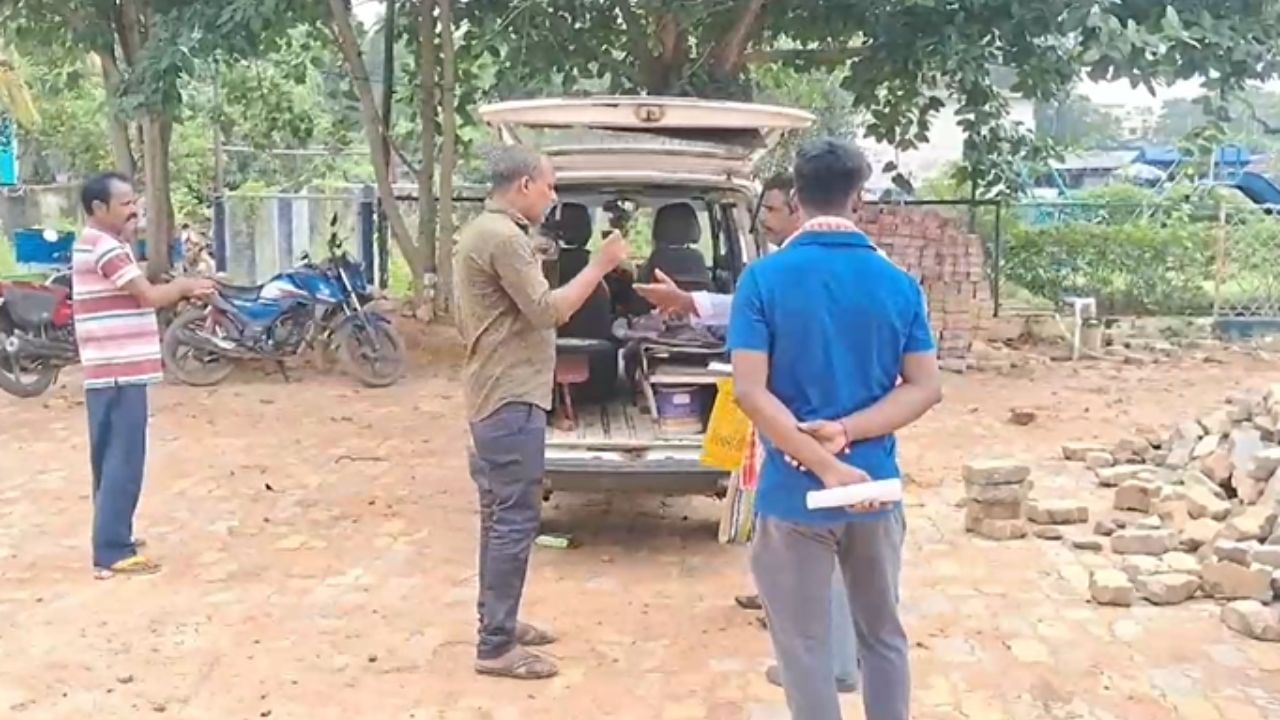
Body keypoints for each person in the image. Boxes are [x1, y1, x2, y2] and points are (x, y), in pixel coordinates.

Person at [728, 139, 942, 720]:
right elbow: (924, 386)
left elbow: (750, 391)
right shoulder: (898, 283)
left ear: (796, 199)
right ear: (859, 198)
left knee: (803, 647)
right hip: (873, 486)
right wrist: (846, 432)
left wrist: (822, 462)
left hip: (793, 493)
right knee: (882, 636)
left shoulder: (763, 280)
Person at [634, 172, 862, 694]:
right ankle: (830, 657)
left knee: (816, 550)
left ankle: (831, 667)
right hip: (821, 429)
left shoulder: (787, 272)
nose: (766, 222)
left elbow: (752, 343)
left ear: (800, 207)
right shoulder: (854, 270)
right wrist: (689, 302)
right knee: (803, 549)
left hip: (811, 429)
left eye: (773, 211)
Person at [453, 145, 628, 680]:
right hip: (510, 398)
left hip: (494, 393)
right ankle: (495, 646)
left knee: (499, 518)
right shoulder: (504, 239)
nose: (553, 197)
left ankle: (499, 623)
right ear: (525, 185)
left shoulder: (486, 232)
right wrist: (599, 265)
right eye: (550, 186)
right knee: (514, 520)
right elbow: (549, 311)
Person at [72, 172, 215, 579]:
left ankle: (113, 535)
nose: (133, 210)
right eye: (125, 204)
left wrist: (130, 235)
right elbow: (148, 296)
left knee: (110, 458)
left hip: (108, 368)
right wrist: (186, 286)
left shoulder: (100, 242)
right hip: (119, 368)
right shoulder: (105, 248)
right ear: (98, 208)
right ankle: (113, 550)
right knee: (124, 459)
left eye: (134, 202)